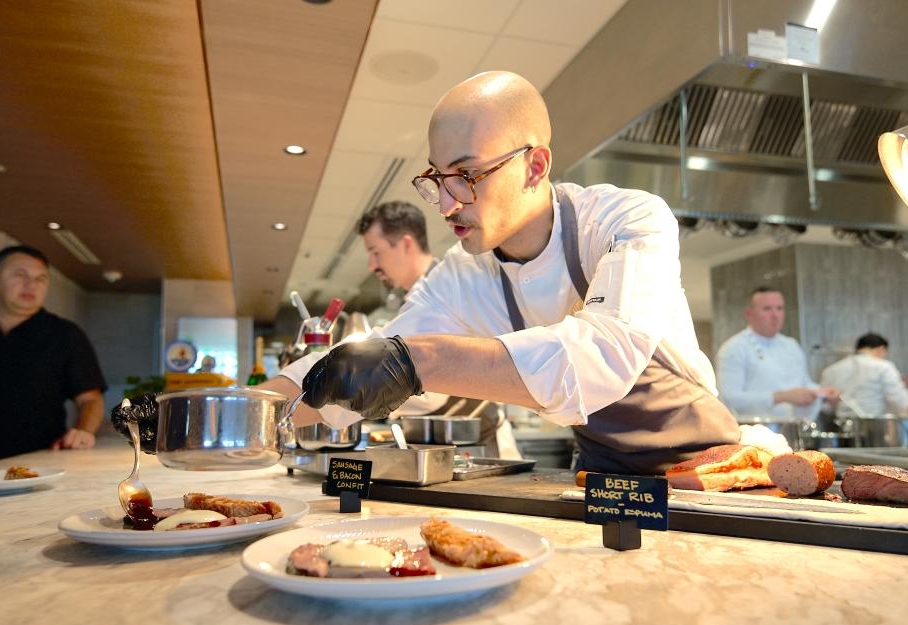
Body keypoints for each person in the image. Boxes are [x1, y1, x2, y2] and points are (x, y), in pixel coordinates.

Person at [117, 70, 739, 474]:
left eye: (466, 176)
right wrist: (204, 419)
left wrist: (422, 359)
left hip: (711, 468)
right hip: (601, 475)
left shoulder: (626, 220)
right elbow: (358, 369)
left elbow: (600, 357)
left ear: (535, 165)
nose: (445, 205)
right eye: (437, 180)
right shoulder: (463, 273)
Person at [357, 200, 513, 457]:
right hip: (446, 446)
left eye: (376, 252)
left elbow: (430, 388)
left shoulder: (448, 290)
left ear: (406, 244)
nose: (371, 265)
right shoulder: (418, 298)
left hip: (477, 447)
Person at [0, 245, 106, 464]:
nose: (31, 285)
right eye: (20, 275)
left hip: (39, 463)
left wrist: (84, 431)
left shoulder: (65, 334)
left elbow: (90, 399)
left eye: (40, 279)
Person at [715, 287, 839, 420]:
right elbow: (729, 398)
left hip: (794, 426)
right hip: (751, 429)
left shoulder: (791, 345)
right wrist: (781, 397)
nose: (775, 315)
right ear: (749, 314)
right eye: (767, 309)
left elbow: (804, 383)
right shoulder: (734, 348)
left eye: (779, 308)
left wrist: (821, 393)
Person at [819, 333, 908, 417]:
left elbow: (826, 406)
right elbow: (900, 402)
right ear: (881, 349)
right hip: (874, 425)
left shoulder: (830, 370)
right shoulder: (884, 367)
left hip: (840, 425)